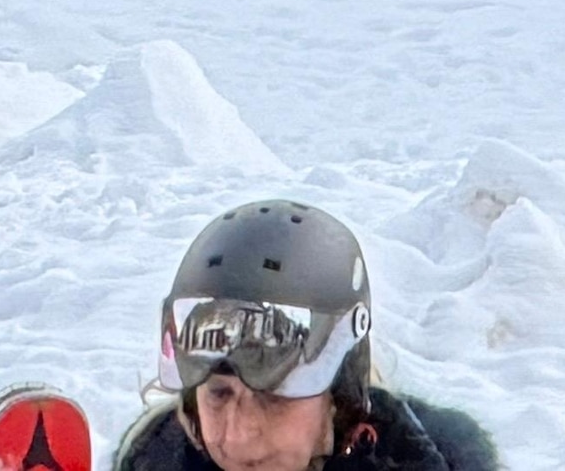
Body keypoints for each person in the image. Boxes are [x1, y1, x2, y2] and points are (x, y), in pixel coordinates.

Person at [123, 198, 500, 471]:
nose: (237, 436)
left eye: (275, 397)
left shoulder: (431, 459)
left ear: (339, 401)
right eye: (219, 395)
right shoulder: (157, 459)